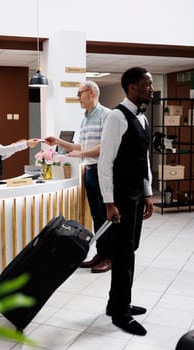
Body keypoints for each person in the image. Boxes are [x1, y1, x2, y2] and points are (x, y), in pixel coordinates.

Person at [98, 67, 153, 336]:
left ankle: (116, 303)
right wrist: (109, 202)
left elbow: (144, 159)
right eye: (148, 84)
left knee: (129, 249)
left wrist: (149, 192)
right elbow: (104, 163)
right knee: (122, 253)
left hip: (137, 194)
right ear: (132, 87)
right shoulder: (116, 118)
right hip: (119, 196)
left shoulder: (142, 118)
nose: (151, 89)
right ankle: (120, 313)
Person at [44, 80, 112, 273]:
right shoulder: (85, 118)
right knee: (97, 216)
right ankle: (100, 253)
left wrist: (80, 155)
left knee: (106, 217)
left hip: (103, 172)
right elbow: (80, 146)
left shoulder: (106, 115)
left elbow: (104, 147)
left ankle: (110, 256)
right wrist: (58, 141)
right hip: (89, 172)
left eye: (79, 93)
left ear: (91, 93)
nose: (77, 98)